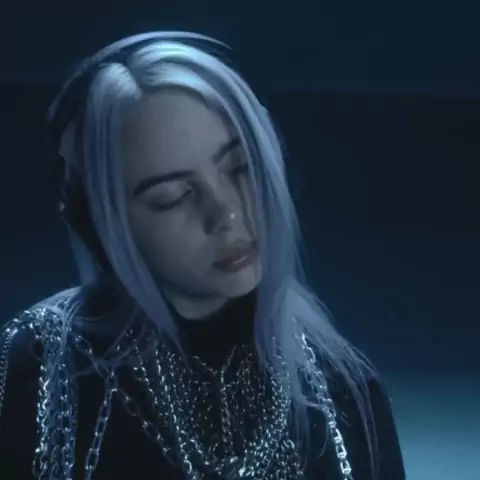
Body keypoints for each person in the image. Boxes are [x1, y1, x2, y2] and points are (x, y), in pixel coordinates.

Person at [0, 31, 405, 479]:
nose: (226, 213)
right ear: (98, 223)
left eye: (240, 167)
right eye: (173, 197)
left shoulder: (345, 390)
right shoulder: (39, 365)